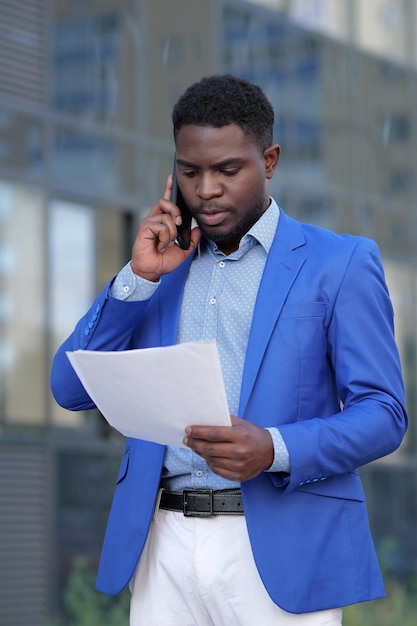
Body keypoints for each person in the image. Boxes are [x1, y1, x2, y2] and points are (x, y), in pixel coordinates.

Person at [50, 74, 408, 625]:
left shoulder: (339, 264)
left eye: (227, 170)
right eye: (190, 172)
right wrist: (136, 278)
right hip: (162, 543)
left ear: (269, 160)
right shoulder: (159, 268)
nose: (207, 189)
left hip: (282, 546)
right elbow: (69, 390)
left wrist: (274, 448)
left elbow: (385, 416)